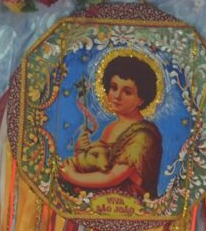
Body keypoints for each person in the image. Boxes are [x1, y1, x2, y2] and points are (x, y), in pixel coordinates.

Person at [60, 55, 163, 198]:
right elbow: (99, 164)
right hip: (104, 195)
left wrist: (73, 176)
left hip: (126, 203)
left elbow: (113, 176)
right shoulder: (111, 127)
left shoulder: (144, 136)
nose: (117, 96)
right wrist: (81, 151)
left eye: (127, 92)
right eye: (114, 88)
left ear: (141, 99)